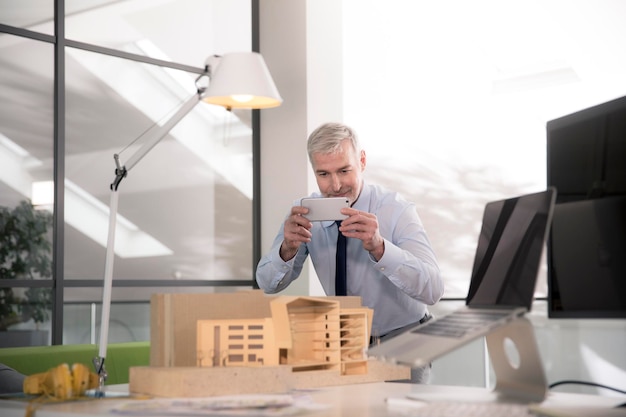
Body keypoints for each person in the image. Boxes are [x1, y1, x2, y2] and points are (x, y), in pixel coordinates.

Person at [256, 122, 444, 383]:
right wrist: (287, 248)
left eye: (344, 170)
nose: (335, 185)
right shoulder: (304, 212)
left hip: (404, 344)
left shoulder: (396, 210)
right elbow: (266, 283)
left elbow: (433, 289)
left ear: (362, 161)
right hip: (342, 347)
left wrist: (380, 248)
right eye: (323, 174)